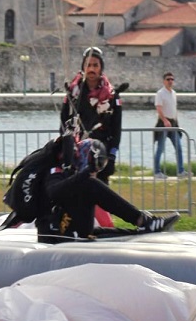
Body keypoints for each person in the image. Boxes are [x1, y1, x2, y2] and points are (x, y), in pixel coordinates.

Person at [37, 136, 180, 243]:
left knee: (102, 231)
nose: (95, 172)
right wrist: (85, 173)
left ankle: (143, 229)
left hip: (66, 228)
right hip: (55, 234)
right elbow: (53, 192)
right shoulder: (55, 170)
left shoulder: (69, 171)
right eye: (95, 167)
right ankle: (143, 220)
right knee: (90, 184)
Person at [60, 46, 122, 183]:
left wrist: (111, 157)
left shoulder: (112, 96)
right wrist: (67, 151)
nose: (92, 69)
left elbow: (116, 129)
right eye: (88, 65)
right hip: (76, 154)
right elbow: (63, 122)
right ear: (83, 67)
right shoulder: (73, 93)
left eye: (95, 65)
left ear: (101, 67)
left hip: (101, 153)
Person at [153, 71, 185, 178]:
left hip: (173, 124)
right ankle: (157, 172)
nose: (170, 81)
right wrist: (165, 120)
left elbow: (174, 109)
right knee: (160, 148)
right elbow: (158, 108)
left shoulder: (174, 93)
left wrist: (176, 122)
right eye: (168, 79)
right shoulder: (160, 93)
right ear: (164, 81)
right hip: (163, 124)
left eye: (172, 79)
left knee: (179, 147)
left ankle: (181, 171)